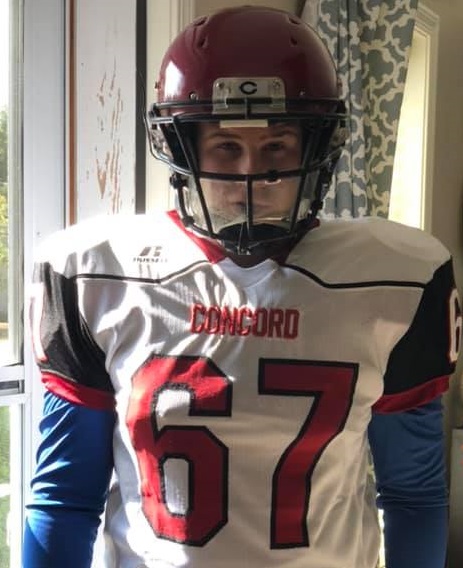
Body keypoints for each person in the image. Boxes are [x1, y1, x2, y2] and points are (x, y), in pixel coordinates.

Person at [23, 5, 461, 568]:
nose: (251, 176)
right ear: (183, 150)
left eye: (277, 146)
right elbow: (66, 497)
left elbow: (412, 493)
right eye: (226, 147)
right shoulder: (91, 272)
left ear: (315, 148)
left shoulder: (400, 276)